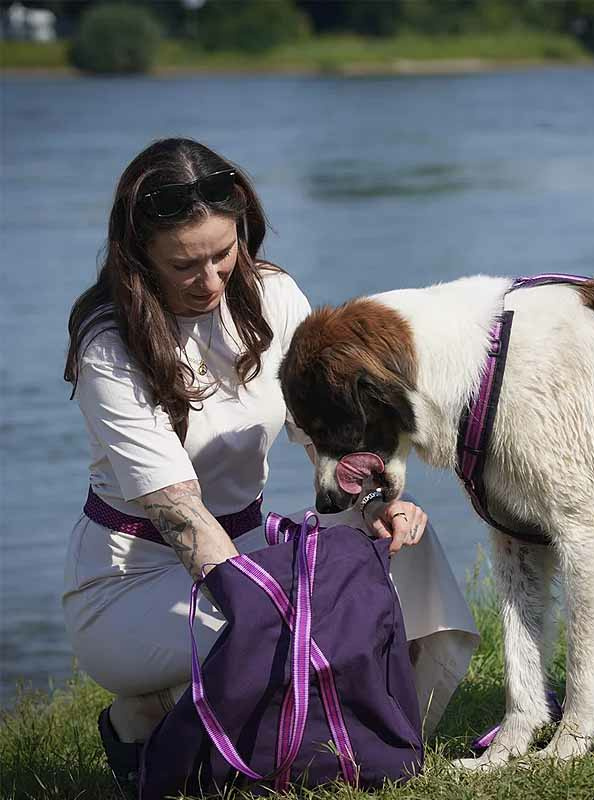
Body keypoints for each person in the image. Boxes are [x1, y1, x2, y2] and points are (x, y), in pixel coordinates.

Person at [62, 138, 478, 789]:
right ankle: (155, 724)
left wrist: (375, 504)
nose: (209, 281)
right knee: (303, 610)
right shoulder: (109, 345)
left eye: (222, 255)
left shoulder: (273, 294)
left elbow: (320, 431)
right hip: (136, 580)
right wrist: (286, 598)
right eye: (184, 265)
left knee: (407, 554)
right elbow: (178, 511)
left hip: (252, 542)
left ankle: (382, 749)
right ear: (138, 254)